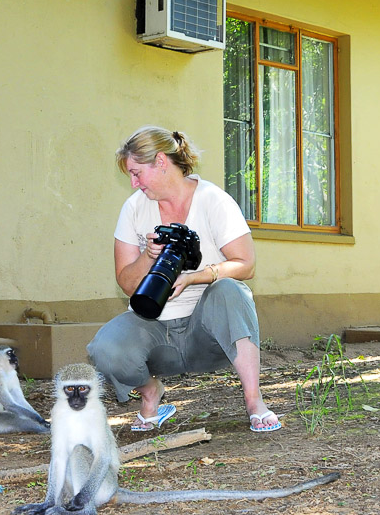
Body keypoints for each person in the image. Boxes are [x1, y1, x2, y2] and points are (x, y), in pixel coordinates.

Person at [86, 125, 282, 433]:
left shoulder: (213, 200)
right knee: (103, 348)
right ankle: (151, 394)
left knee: (231, 290)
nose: (134, 184)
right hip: (154, 327)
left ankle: (254, 401)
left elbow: (246, 264)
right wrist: (148, 256)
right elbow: (126, 282)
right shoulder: (134, 208)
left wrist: (198, 277)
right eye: (130, 176)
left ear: (161, 162)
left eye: (137, 173)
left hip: (207, 333)